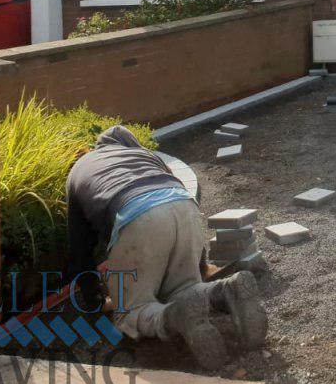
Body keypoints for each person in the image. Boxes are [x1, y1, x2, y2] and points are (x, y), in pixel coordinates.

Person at [65, 125, 267, 370]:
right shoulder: (144, 155)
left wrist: (93, 301)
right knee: (184, 288)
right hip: (185, 207)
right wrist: (198, 266)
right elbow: (178, 189)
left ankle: (174, 317)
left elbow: (79, 248)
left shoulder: (80, 169)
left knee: (129, 313)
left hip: (137, 215)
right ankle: (226, 290)